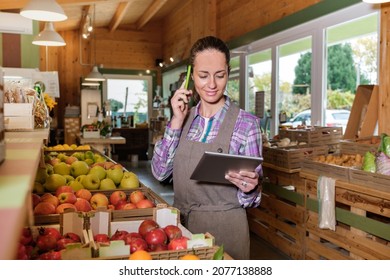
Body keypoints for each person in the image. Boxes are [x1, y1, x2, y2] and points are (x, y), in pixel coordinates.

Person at [151, 36, 263, 260]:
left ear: (228, 73)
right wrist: (175, 120)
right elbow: (160, 172)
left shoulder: (247, 124)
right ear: (192, 76)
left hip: (226, 233)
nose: (211, 85)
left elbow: (251, 200)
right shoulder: (183, 119)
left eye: (219, 75)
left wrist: (250, 188)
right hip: (180, 231)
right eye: (203, 76)